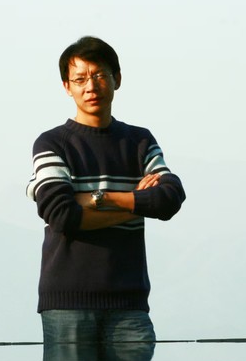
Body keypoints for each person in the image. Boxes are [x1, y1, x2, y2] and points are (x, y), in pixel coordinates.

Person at [26, 36, 186, 344]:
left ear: (117, 79)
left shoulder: (139, 141)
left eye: (99, 75)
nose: (91, 86)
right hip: (67, 303)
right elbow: (61, 215)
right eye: (80, 79)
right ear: (67, 87)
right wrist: (136, 203)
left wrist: (99, 199)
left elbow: (169, 198)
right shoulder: (52, 143)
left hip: (130, 303)